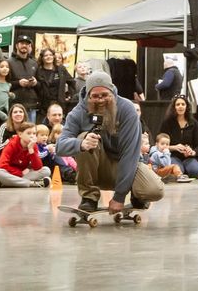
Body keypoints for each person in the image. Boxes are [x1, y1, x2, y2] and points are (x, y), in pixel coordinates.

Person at [56, 71, 165, 214]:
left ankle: (137, 195)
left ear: (112, 92)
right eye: (95, 96)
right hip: (96, 169)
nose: (100, 100)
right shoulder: (77, 113)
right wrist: (80, 144)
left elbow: (130, 154)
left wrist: (119, 197)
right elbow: (59, 146)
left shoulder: (127, 110)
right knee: (84, 137)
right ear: (88, 95)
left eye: (105, 95)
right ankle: (89, 197)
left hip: (124, 165)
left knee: (155, 190)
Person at [0, 121, 52, 188]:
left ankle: (7, 183)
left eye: (34, 133)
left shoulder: (33, 145)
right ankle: (32, 184)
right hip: (9, 172)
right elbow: (3, 165)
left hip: (23, 174)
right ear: (20, 134)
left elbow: (38, 167)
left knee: (46, 170)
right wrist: (19, 173)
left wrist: (31, 150)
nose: (32, 136)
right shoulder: (12, 144)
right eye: (29, 133)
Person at [157, 94, 198, 180]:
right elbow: (159, 145)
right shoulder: (167, 122)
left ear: (187, 107)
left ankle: (186, 169)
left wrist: (192, 152)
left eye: (183, 104)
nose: (180, 107)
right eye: (178, 104)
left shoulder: (194, 123)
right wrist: (174, 147)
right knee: (177, 171)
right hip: (173, 155)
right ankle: (183, 169)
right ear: (174, 107)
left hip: (188, 158)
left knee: (197, 173)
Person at [7, 34, 40, 122]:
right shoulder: (8, 62)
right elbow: (4, 84)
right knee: (15, 134)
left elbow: (41, 85)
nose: (24, 45)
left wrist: (35, 83)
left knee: (30, 133)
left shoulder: (34, 63)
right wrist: (18, 83)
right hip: (14, 106)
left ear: (29, 46)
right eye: (22, 43)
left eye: (27, 44)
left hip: (31, 106)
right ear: (16, 46)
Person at [34, 49, 68, 115]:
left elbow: (71, 82)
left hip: (58, 103)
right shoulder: (38, 70)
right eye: (46, 55)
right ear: (42, 58)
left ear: (53, 56)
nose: (48, 57)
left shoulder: (61, 69)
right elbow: (37, 87)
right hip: (43, 104)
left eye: (50, 55)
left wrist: (69, 95)